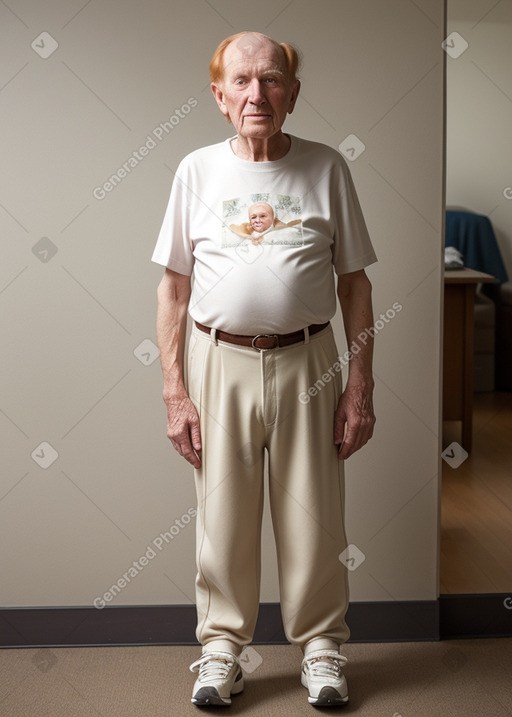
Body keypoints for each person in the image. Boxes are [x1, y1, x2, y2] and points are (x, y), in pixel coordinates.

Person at [153, 30, 377, 708]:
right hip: (216, 359)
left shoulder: (328, 167)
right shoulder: (195, 171)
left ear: (293, 92)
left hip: (309, 357)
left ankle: (321, 650)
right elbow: (172, 290)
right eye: (243, 82)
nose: (259, 94)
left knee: (314, 511)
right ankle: (222, 652)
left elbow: (356, 286)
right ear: (220, 96)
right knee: (222, 512)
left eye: (272, 79)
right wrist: (174, 390)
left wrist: (359, 385)